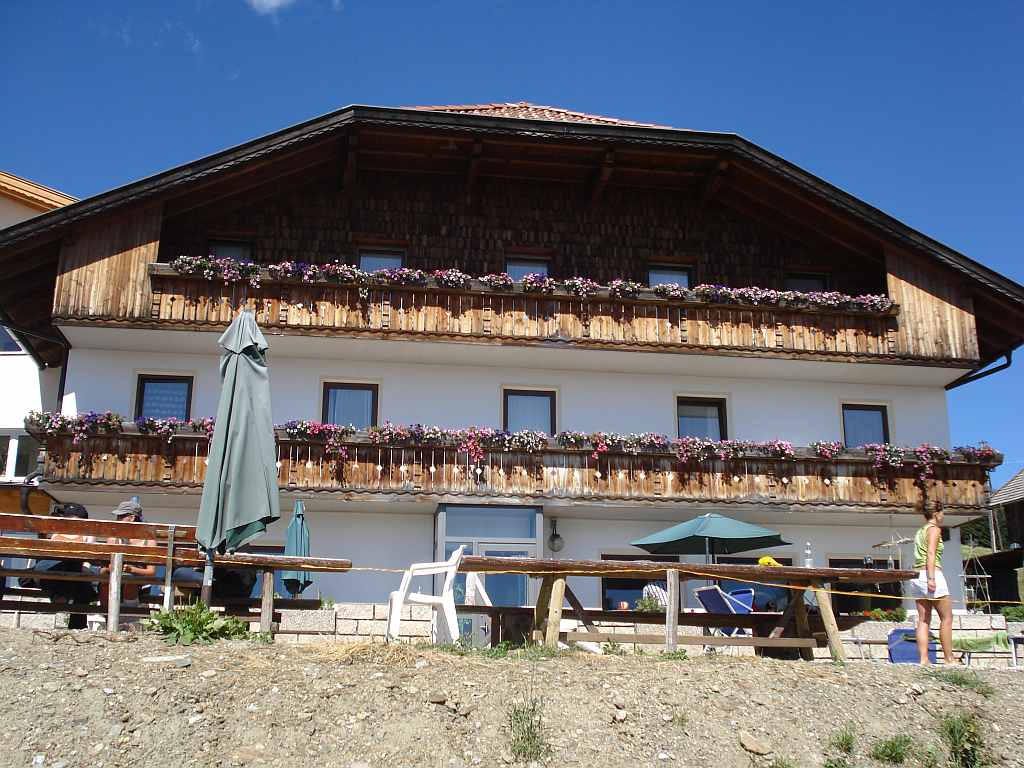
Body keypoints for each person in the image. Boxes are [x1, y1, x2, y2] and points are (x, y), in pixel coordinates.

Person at [32, 503, 100, 629]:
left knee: (83, 583)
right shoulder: (59, 532)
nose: (70, 523)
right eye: (68, 519)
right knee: (83, 583)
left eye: (72, 519)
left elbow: (86, 560)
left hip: (67, 572)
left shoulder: (84, 534)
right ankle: (76, 623)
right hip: (55, 570)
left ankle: (60, 598)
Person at [911, 502, 956, 665]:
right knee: (947, 617)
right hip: (931, 573)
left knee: (924, 619)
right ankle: (949, 658)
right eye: (942, 512)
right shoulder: (934, 530)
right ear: (936, 513)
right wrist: (931, 578)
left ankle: (923, 659)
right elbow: (931, 553)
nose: (943, 516)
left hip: (917, 575)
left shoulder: (920, 531)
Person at [100, 500, 157, 606]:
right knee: (105, 581)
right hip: (114, 577)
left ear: (132, 518)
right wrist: (110, 568)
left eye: (120, 516)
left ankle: (128, 613)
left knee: (130, 581)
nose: (117, 520)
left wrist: (132, 570)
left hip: (138, 581)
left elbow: (151, 572)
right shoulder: (113, 538)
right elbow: (104, 569)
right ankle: (107, 613)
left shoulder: (148, 541)